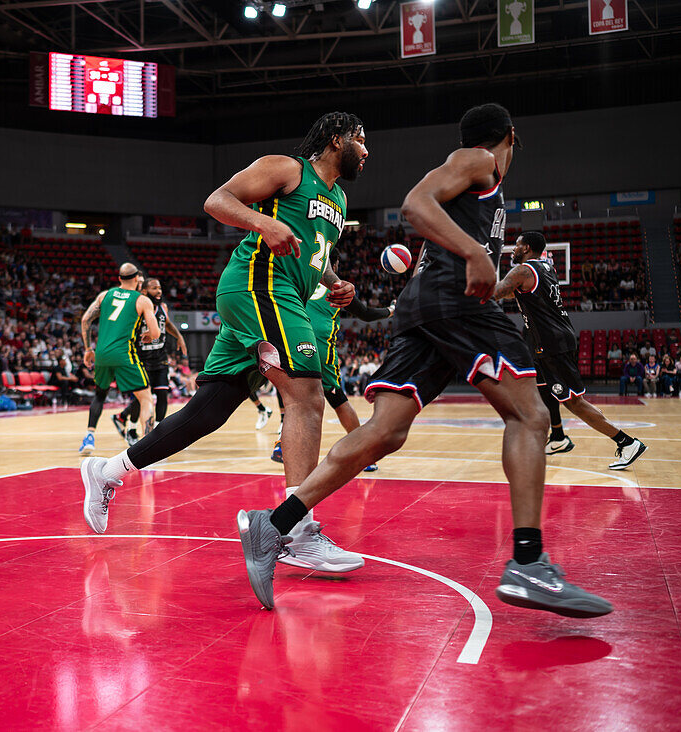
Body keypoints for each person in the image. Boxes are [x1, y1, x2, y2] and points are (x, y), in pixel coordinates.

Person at [234, 103, 613, 617]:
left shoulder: (483, 182)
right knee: (531, 415)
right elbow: (416, 203)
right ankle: (528, 563)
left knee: (386, 431)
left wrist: (487, 267)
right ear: (511, 136)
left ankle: (273, 525)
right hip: (450, 298)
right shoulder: (480, 160)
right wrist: (476, 254)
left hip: (423, 305)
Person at [81, 112, 365, 574]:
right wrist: (263, 225)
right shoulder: (288, 169)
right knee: (307, 396)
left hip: (279, 293)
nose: (366, 150)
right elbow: (217, 200)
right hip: (259, 286)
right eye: (359, 139)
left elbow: (314, 254)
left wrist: (335, 281)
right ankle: (296, 531)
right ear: (336, 140)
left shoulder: (338, 197)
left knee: (206, 414)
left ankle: (106, 471)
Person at [494, 231, 647, 470]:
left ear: (526, 248)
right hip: (549, 341)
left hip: (552, 344)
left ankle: (626, 442)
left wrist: (471, 283)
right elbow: (515, 293)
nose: (513, 250)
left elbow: (496, 292)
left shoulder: (523, 271)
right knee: (543, 389)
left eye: (516, 245)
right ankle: (558, 437)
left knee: (574, 402)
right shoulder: (545, 269)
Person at [271, 285, 394, 474]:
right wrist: (392, 310)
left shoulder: (302, 281)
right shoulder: (338, 287)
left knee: (293, 396)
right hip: (320, 348)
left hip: (295, 343)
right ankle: (364, 455)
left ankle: (282, 444)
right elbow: (366, 314)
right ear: (333, 267)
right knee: (338, 400)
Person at [78, 263, 161, 455]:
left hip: (102, 354)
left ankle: (89, 438)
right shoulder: (142, 300)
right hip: (124, 353)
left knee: (100, 394)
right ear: (136, 280)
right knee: (146, 397)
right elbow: (156, 333)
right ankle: (148, 447)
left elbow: (85, 320)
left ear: (119, 279)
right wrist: (149, 333)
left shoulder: (104, 295)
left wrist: (88, 349)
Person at [111, 277, 187, 445]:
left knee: (162, 395)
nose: (158, 291)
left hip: (160, 359)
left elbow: (167, 324)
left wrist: (179, 337)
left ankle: (158, 433)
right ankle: (130, 427)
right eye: (154, 288)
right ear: (144, 291)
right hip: (141, 359)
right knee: (142, 398)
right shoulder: (136, 308)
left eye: (159, 287)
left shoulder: (163, 307)